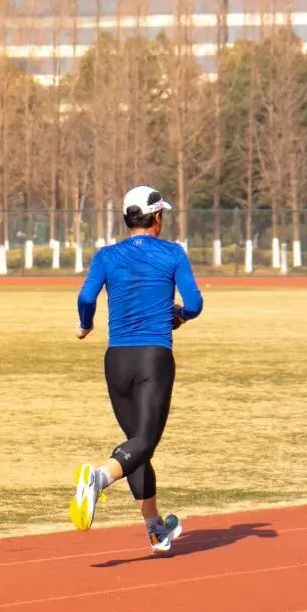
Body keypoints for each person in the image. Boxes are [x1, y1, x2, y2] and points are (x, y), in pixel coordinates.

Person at [69, 185, 203, 554]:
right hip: (152, 357)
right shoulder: (172, 253)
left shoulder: (106, 255)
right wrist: (180, 315)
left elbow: (86, 297)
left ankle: (156, 528)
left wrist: (85, 325)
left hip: (116, 360)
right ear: (157, 217)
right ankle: (97, 480)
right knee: (144, 442)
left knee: (136, 445)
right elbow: (194, 303)